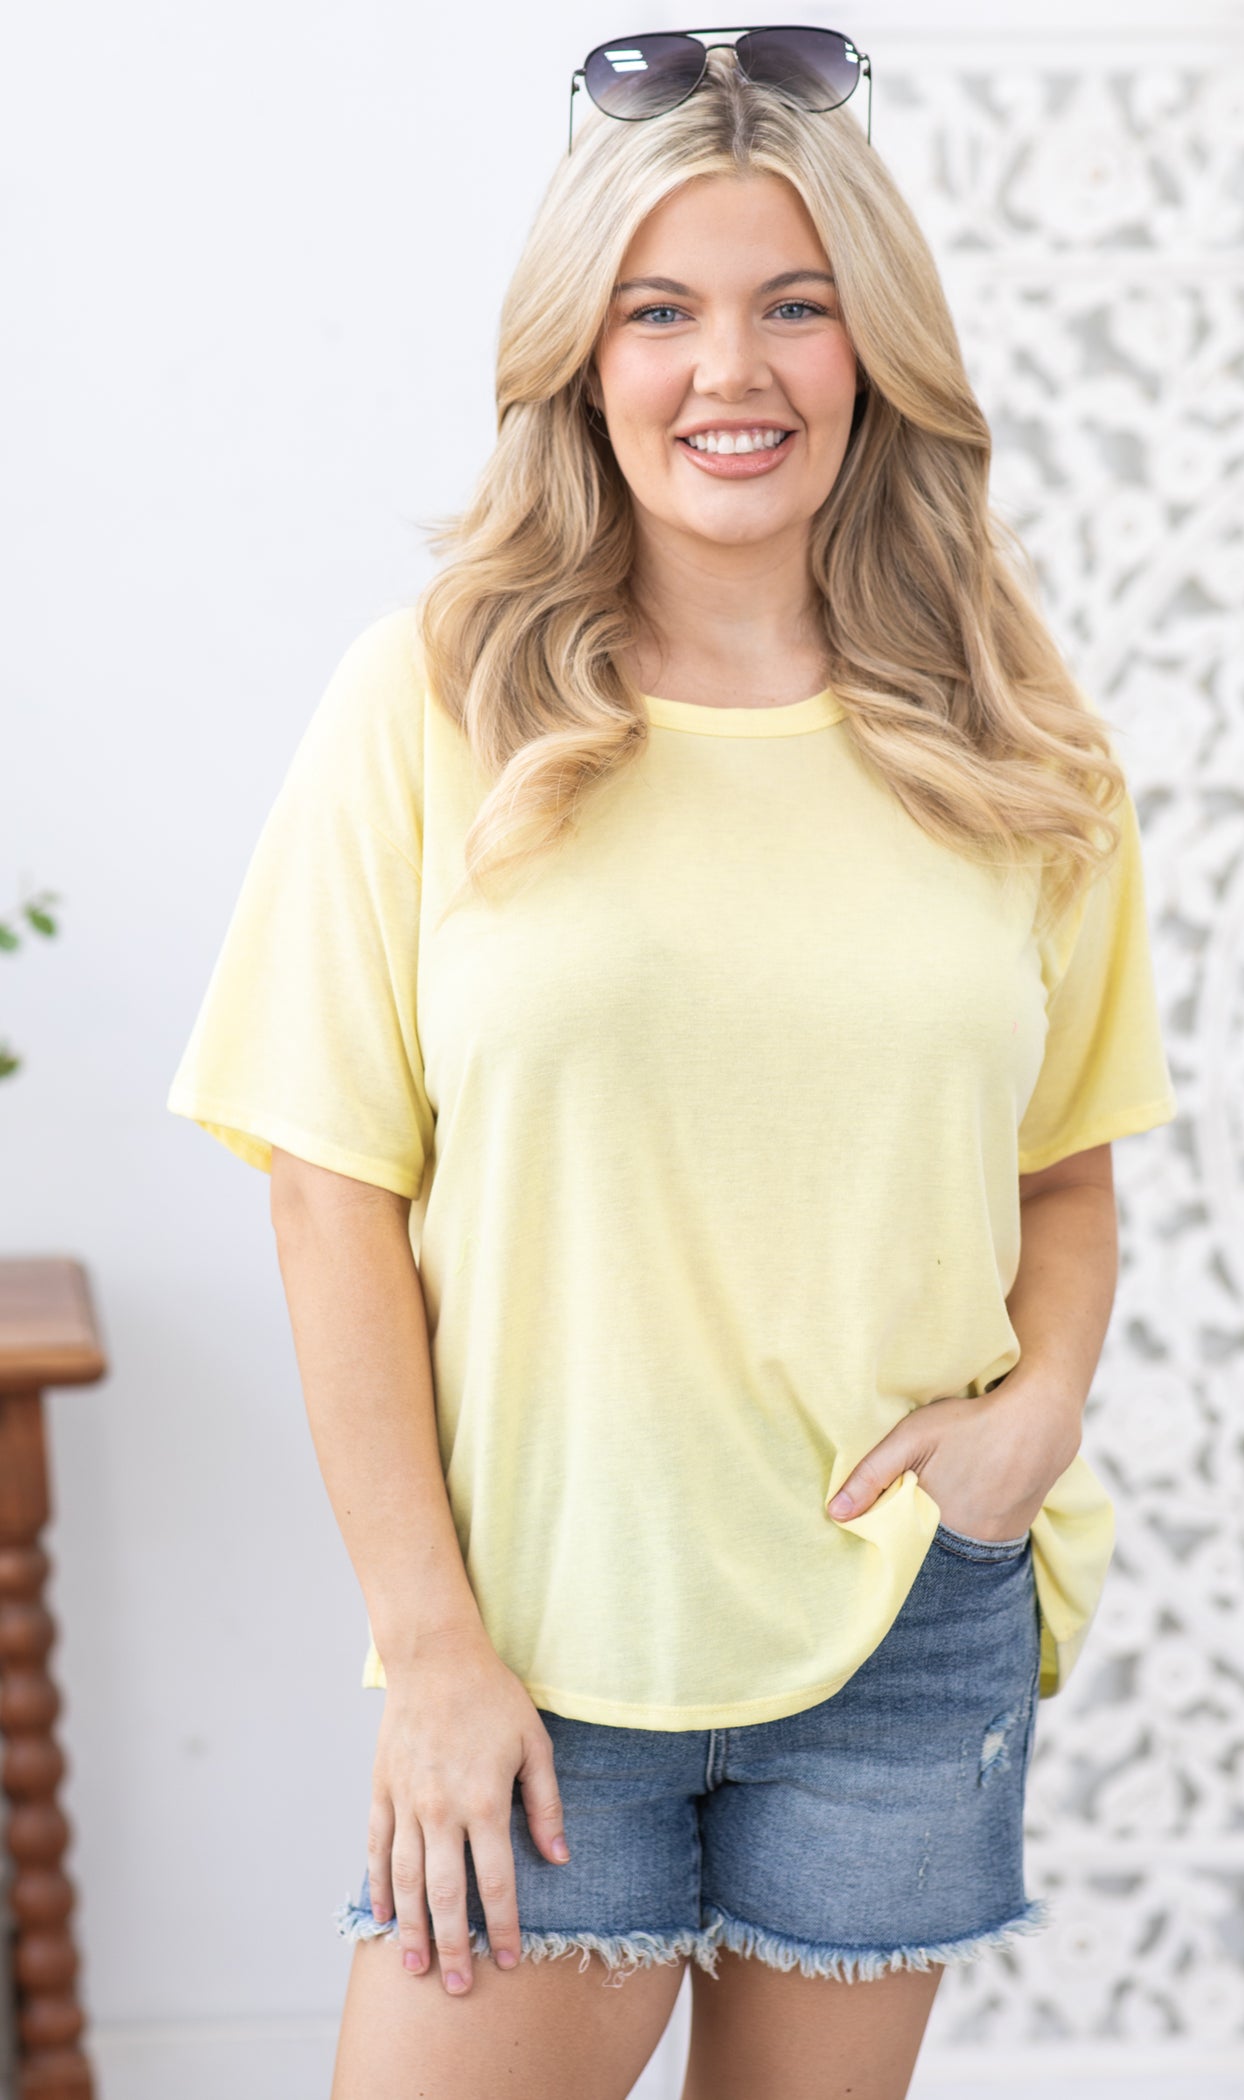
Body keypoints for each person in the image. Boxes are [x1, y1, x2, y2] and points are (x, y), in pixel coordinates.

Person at [167, 29, 1177, 2100]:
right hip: (540, 1643)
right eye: (660, 311)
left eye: (796, 305)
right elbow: (329, 1192)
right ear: (581, 355)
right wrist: (432, 1653)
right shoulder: (431, 701)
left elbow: (1065, 1172)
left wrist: (1035, 1420)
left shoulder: (1015, 741)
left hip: (907, 1631)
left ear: (875, 348)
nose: (734, 370)